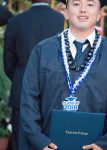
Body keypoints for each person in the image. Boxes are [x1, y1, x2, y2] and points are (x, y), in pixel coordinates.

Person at [20, 0, 107, 149]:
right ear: (65, 12)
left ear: (99, 14)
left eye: (90, 4)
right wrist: (40, 142)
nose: (83, 9)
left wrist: (105, 145)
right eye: (76, 4)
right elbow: (29, 99)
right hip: (49, 145)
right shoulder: (43, 51)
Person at [3, 0, 64, 149]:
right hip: (54, 92)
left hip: (21, 89)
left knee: (20, 142)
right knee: (54, 141)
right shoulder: (61, 20)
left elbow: (8, 62)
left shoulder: (15, 21)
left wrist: (21, 78)